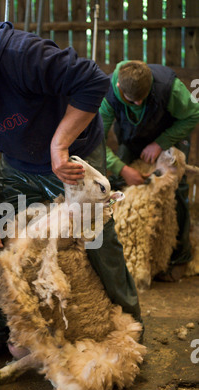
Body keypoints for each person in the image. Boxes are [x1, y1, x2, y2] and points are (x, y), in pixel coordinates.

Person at [0, 23, 141, 368]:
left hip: (71, 156)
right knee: (0, 242)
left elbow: (92, 80)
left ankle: (130, 331)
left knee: (97, 243)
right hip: (20, 161)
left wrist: (59, 144)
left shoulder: (19, 55)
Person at [100, 60, 199, 281]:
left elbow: (193, 114)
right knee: (117, 184)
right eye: (131, 99)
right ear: (119, 88)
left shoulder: (168, 87)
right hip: (132, 137)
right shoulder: (107, 95)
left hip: (169, 134)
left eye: (143, 98)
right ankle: (121, 252)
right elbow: (97, 141)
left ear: (151, 83)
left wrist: (161, 143)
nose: (138, 102)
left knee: (176, 189)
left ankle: (180, 257)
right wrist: (122, 168)